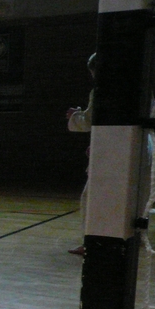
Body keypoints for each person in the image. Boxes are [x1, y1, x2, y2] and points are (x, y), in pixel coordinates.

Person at [66, 52, 96, 256]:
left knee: (89, 198)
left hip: (112, 153)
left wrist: (74, 116)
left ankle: (90, 243)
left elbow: (89, 121)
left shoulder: (101, 90)